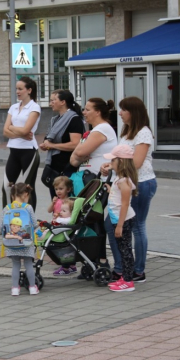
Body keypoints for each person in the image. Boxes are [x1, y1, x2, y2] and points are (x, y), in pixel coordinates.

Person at [101, 97, 157, 283]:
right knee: (112, 224)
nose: (120, 113)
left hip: (141, 182)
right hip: (124, 182)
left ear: (133, 112)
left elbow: (138, 162)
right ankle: (122, 267)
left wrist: (115, 166)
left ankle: (137, 270)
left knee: (137, 225)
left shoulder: (143, 133)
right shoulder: (126, 132)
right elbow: (121, 158)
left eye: (124, 110)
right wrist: (110, 165)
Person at [69, 98, 117, 278]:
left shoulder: (102, 128)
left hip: (100, 180)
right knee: (89, 217)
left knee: (94, 216)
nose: (84, 112)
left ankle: (101, 260)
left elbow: (79, 153)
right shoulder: (92, 131)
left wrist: (80, 151)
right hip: (89, 180)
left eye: (87, 109)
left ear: (97, 112)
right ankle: (92, 260)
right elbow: (73, 159)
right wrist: (80, 151)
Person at [2, 76, 41, 211]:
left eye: (20, 89)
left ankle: (30, 221)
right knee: (7, 186)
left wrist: (13, 128)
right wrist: (18, 131)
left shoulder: (34, 107)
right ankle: (6, 220)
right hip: (14, 150)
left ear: (29, 90)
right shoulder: (13, 107)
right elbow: (5, 131)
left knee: (28, 187)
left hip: (28, 151)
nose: (17, 92)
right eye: (16, 89)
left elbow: (26, 130)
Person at [103, 145, 138, 292]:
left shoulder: (124, 181)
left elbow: (124, 204)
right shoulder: (119, 179)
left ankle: (128, 281)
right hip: (118, 219)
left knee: (125, 250)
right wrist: (111, 190)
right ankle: (125, 277)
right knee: (122, 248)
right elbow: (118, 198)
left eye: (113, 160)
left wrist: (119, 226)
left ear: (121, 162)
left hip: (122, 220)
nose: (111, 163)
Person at [39, 90, 85, 197]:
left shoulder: (74, 119)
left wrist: (52, 146)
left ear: (63, 102)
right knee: (56, 204)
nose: (51, 103)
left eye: (53, 100)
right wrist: (45, 145)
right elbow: (49, 139)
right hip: (54, 167)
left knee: (66, 205)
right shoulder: (55, 120)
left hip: (67, 168)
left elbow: (75, 144)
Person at [1, 183, 39, 296]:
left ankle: (15, 288)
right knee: (28, 264)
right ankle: (32, 287)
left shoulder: (6, 208)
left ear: (12, 196)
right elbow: (34, 224)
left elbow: (2, 226)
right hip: (26, 243)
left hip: (12, 243)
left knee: (16, 265)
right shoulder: (28, 208)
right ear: (26, 194)